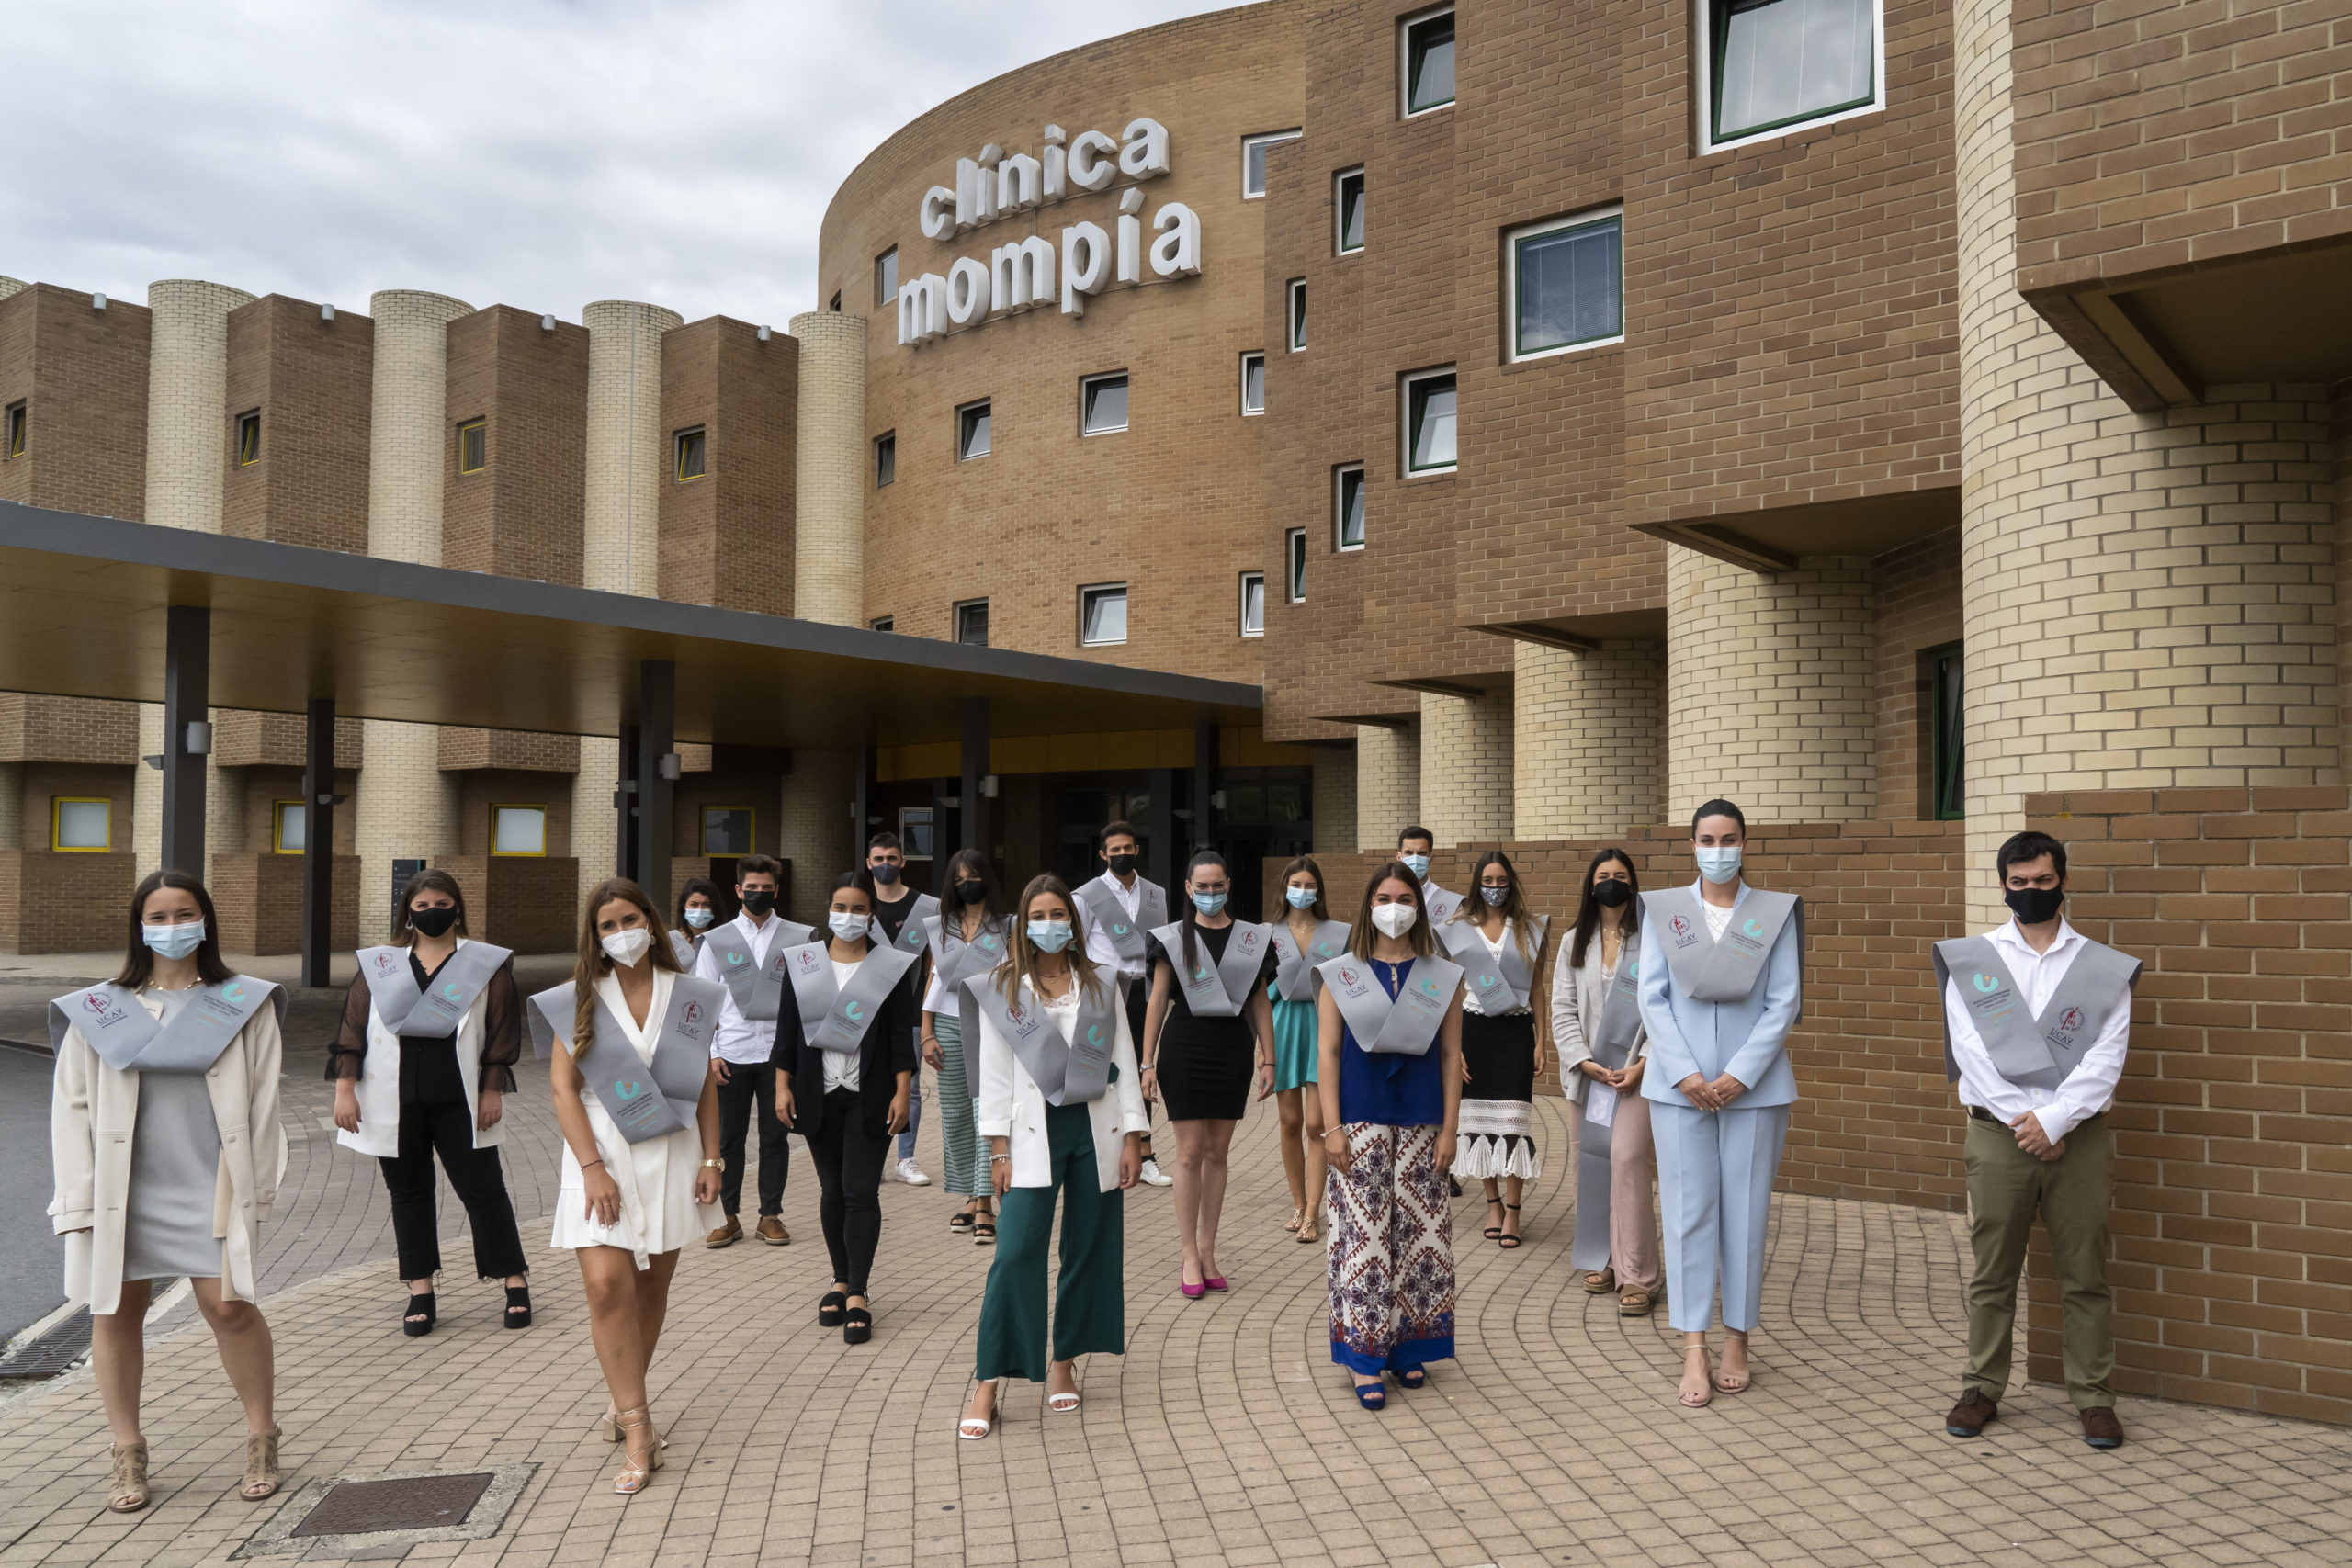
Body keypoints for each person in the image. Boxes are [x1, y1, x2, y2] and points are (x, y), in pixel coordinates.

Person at [48, 870, 289, 1512]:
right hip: (122, 1190)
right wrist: (76, 1196)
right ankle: (127, 1451)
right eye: (158, 915)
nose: (172, 925)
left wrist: (256, 1188)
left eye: (184, 912)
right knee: (115, 1312)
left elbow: (264, 1103)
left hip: (210, 1183)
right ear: (139, 926)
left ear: (206, 920)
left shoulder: (244, 1001)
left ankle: (262, 1433)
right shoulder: (98, 1010)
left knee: (230, 1307)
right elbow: (70, 1107)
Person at [1936, 831, 2136, 1450]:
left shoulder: (2100, 966)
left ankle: (2094, 1396)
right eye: (2019, 883)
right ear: (2003, 885)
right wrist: (2031, 1119)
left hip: (2079, 1141)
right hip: (1999, 1136)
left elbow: (2107, 1055)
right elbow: (1971, 1049)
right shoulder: (1975, 962)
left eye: (2043, 881)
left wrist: (2057, 1120)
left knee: (2085, 1274)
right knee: (1993, 1272)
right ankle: (1981, 1386)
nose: (2031, 892)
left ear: (2063, 880)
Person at [527, 877, 726, 1496]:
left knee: (651, 1284)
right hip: (601, 1154)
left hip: (672, 1150)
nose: (621, 933)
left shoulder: (688, 996)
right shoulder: (579, 998)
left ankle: (623, 1397)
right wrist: (590, 1166)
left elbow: (703, 1083)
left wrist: (714, 1159)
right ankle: (639, 1426)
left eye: (630, 919)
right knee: (607, 1285)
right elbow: (563, 1088)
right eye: (607, 925)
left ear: (653, 922)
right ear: (594, 936)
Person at [957, 875, 1148, 1438]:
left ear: (1074, 923)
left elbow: (1124, 1060)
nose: (1050, 924)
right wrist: (996, 1148)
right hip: (1028, 1135)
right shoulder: (1003, 988)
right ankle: (988, 1382)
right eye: (1039, 914)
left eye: (1059, 914)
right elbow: (992, 1074)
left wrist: (1136, 1136)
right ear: (1023, 923)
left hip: (1095, 1130)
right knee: (1014, 1254)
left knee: (1088, 1249)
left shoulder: (1100, 982)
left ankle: (1064, 1363)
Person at [1637, 799, 1803, 1407]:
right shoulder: (1666, 911)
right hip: (1678, 1091)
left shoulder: (1772, 913)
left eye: (1729, 837)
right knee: (1686, 1213)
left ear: (1745, 842)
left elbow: (1784, 1000)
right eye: (1708, 838)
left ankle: (1739, 1337)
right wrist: (1683, 1073)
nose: (1719, 848)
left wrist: (1738, 1074)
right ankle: (1693, 1348)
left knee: (1746, 1212)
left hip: (1754, 1090)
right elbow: (1651, 997)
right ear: (1692, 844)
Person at [331, 869, 530, 1336]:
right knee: (409, 1195)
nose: (431, 913)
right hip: (394, 1100)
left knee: (484, 1191)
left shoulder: (485, 964)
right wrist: (344, 1090)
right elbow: (352, 1028)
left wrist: (492, 1089)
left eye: (441, 903)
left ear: (457, 907)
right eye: (421, 907)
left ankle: (514, 1280)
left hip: (459, 1099)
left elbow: (501, 1032)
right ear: (407, 913)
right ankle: (420, 1289)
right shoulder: (381, 965)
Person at [1316, 863, 1464, 1408]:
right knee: (1366, 1241)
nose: (1394, 906)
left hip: (1424, 1121)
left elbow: (1451, 1055)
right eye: (1384, 897)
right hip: (1360, 1119)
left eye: (1404, 897)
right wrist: (1332, 1128)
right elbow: (1327, 1053)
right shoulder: (1342, 973)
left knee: (1421, 1239)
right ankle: (1363, 1356)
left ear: (1418, 908)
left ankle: (1409, 1348)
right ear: (1369, 905)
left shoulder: (1443, 974)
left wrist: (1450, 1127)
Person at [773, 873, 920, 1345]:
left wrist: (903, 1092)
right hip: (818, 1093)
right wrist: (782, 1086)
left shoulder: (889, 966)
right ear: (828, 909)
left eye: (859, 909)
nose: (850, 916)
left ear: (870, 914)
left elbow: (902, 1035)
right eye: (841, 907)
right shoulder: (805, 963)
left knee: (860, 1191)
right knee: (832, 1190)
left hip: (870, 1092)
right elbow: (787, 1032)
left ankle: (858, 1291)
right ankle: (838, 1279)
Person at [1141, 849, 1274, 1296]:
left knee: (1218, 1152)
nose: (1211, 893)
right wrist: (1147, 1061)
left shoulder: (1251, 939)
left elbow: (1259, 1001)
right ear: (1188, 888)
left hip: (1233, 1049)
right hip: (1185, 1047)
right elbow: (1157, 1000)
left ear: (1229, 885)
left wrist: (1269, 1057)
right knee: (1189, 1152)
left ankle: (1209, 1248)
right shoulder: (1172, 938)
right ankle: (1188, 1254)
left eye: (1218, 886)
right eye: (1203, 887)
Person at [1550, 849, 1661, 1315]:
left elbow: (1665, 1010)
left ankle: (1641, 1276)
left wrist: (1645, 1064)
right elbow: (1562, 1009)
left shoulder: (1653, 940)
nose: (1611, 882)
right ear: (1590, 884)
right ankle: (1608, 1259)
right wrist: (1583, 1060)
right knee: (1594, 1165)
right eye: (1603, 875)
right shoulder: (1575, 941)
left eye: (1620, 876)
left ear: (1633, 884)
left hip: (1636, 1075)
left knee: (1627, 1158)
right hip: (1591, 1076)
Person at [690, 855, 811, 1248]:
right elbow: (703, 999)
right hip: (732, 1052)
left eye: (766, 888)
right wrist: (710, 1052)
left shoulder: (797, 937)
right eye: (751, 888)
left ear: (777, 890)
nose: (758, 894)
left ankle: (770, 1215)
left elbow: (809, 997)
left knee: (776, 1137)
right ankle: (727, 1216)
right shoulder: (718, 940)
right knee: (729, 1140)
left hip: (779, 1055)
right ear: (739, 890)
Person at [1437, 851, 1553, 1249]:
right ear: (1477, 884)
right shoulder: (1458, 928)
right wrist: (1453, 1047)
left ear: (1511, 884)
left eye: (1502, 881)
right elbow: (1451, 989)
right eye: (1488, 881)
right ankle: (1493, 1205)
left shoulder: (1530, 928)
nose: (1495, 888)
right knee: (1479, 1123)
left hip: (1516, 1032)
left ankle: (1515, 1212)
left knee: (1513, 1124)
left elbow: (1537, 987)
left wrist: (1542, 1040)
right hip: (1474, 1030)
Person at [922, 848, 1012, 1243]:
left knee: (984, 1110)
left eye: (973, 876)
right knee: (956, 1112)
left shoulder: (1007, 925)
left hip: (990, 1025)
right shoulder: (943, 925)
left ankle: (985, 1202)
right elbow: (934, 980)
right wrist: (926, 1032)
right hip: (947, 1023)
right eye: (958, 879)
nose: (966, 884)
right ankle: (968, 1194)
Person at [1078, 819, 1174, 1185]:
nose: (1121, 854)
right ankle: (1104, 1148)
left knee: (1141, 1068)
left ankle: (1145, 1152)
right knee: (1103, 1069)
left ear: (1137, 849)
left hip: (1145, 991)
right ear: (1103, 854)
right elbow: (1079, 947)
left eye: (1127, 848)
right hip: (1104, 991)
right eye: (1113, 850)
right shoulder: (1086, 896)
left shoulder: (1154, 894)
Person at [1268, 855, 1348, 1246]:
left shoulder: (1337, 933)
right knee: (1289, 1123)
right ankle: (1298, 1202)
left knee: (1317, 1124)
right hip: (1282, 1029)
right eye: (1296, 884)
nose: (1302, 891)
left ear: (1319, 890)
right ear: (1284, 888)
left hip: (1323, 1030)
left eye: (1309, 885)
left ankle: (1315, 1211)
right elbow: (1258, 995)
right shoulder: (1268, 934)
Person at [866, 832, 939, 1186]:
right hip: (867, 1012)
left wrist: (928, 1021)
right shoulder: (859, 905)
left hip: (910, 1011)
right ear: (869, 863)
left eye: (891, 858)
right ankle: (873, 1156)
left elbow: (933, 967)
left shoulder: (927, 907)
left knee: (908, 1087)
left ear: (903, 862)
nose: (885, 865)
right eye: (878, 859)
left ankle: (906, 1158)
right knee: (869, 1085)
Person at [1396, 826, 1464, 924]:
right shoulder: (1384, 898)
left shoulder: (1451, 903)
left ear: (1431, 858)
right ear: (1399, 857)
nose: (1415, 858)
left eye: (1421, 853)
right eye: (1409, 852)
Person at [670, 875, 723, 968]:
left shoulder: (724, 940)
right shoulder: (672, 941)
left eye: (706, 904)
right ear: (683, 906)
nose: (700, 910)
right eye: (694, 904)